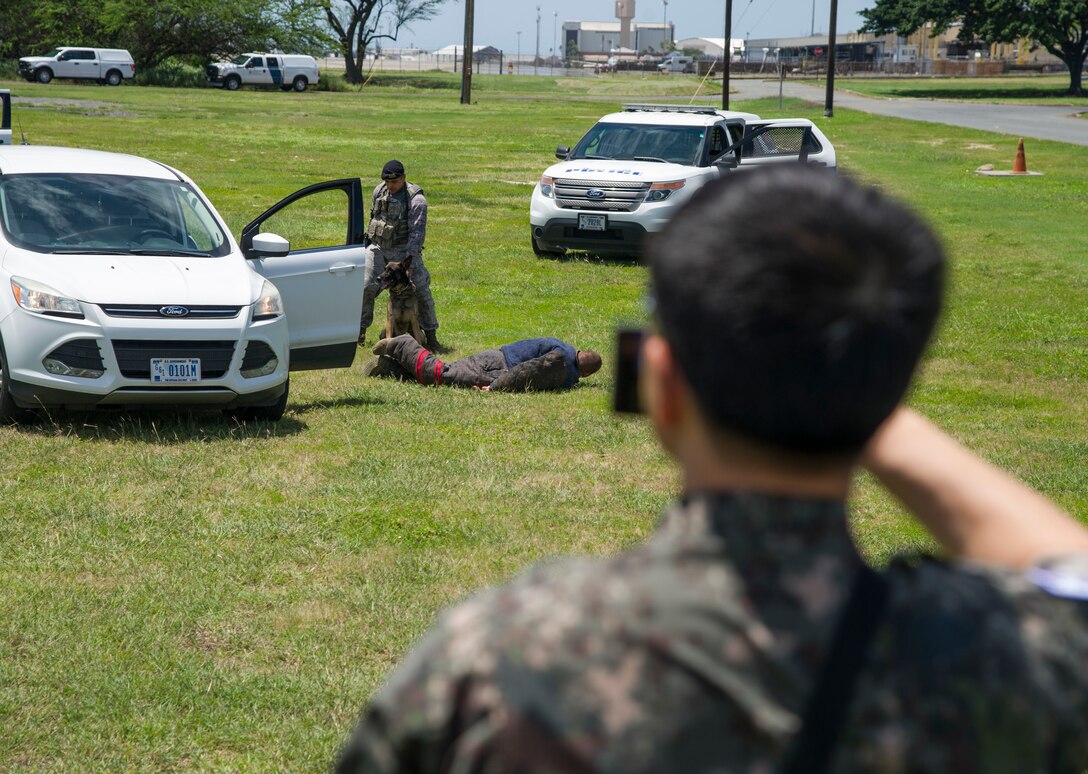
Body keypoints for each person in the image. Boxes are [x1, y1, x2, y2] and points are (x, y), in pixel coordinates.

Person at [335, 166, 1088, 772]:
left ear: (661, 388)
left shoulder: (501, 661)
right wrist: (856, 394)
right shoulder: (993, 662)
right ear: (890, 394)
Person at [359, 160, 442, 350]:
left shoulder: (416, 201)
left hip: (404, 250)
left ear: (404, 178)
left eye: (394, 182)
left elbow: (417, 235)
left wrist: (409, 266)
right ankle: (360, 333)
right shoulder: (379, 191)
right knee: (366, 286)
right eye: (387, 182)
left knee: (421, 288)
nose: (390, 186)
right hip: (379, 247)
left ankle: (431, 335)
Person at [365, 333, 602, 392]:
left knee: (445, 379)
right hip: (497, 369)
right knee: (438, 374)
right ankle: (401, 344)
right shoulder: (561, 362)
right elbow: (528, 372)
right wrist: (498, 386)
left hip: (493, 359)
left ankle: (388, 368)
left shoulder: (565, 348)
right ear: (586, 374)